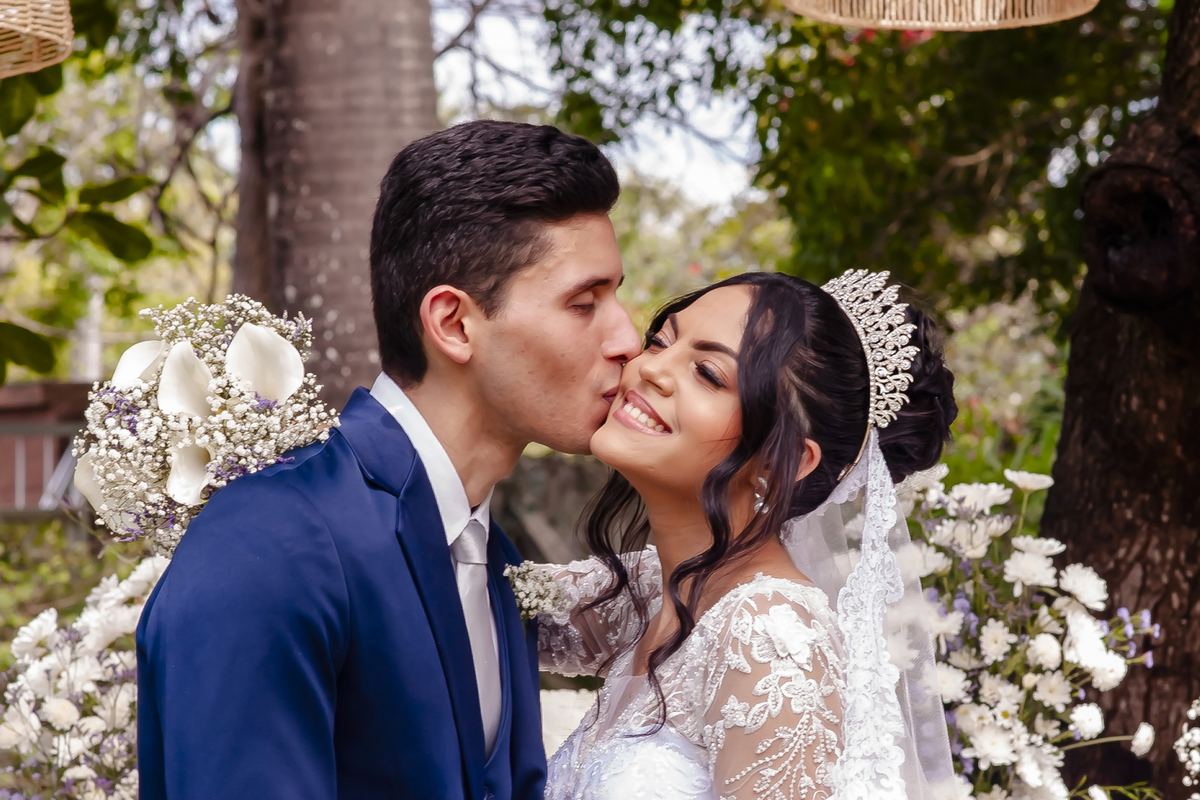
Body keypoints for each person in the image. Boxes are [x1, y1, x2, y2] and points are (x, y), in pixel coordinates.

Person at [135, 120, 641, 800]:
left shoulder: (500, 563)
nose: (628, 338)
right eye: (585, 302)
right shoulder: (271, 543)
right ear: (454, 324)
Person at [535, 270, 960, 800]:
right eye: (661, 340)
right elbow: (455, 596)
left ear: (782, 465)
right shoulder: (647, 587)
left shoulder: (771, 636)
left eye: (708, 373)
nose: (649, 368)